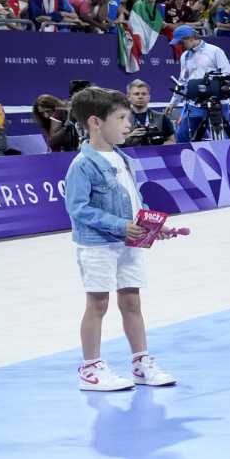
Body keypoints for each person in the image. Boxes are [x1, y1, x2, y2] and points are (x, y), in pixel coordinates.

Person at [63, 87, 176, 391]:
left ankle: (141, 362)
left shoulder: (122, 158)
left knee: (131, 300)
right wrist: (119, 225)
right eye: (121, 117)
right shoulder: (83, 164)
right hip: (98, 245)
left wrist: (155, 225)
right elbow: (77, 208)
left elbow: (134, 200)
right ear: (95, 122)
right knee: (98, 303)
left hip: (129, 243)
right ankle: (90, 368)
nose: (129, 123)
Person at [172, 24, 230, 143]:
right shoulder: (184, 56)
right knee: (182, 137)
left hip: (216, 104)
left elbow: (228, 74)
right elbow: (182, 81)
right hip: (194, 105)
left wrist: (209, 83)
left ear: (190, 38)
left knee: (221, 141)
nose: (180, 45)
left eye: (181, 42)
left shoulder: (215, 51)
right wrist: (173, 103)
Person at [123, 78, 175, 147]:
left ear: (149, 97)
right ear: (128, 97)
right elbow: (114, 144)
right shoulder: (121, 119)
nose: (140, 97)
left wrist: (159, 144)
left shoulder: (161, 117)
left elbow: (172, 142)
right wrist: (130, 137)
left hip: (155, 156)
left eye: (144, 94)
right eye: (136, 94)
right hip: (130, 156)